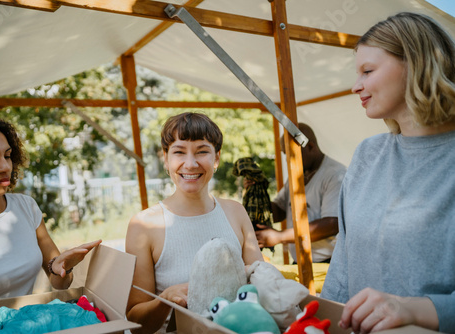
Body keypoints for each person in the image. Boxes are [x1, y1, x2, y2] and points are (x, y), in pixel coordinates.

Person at [320, 12, 455, 333]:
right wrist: (322, 322)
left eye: (368, 71)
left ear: (418, 63)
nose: (356, 86)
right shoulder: (368, 154)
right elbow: (344, 262)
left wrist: (412, 308)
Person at [125, 112, 264, 333]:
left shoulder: (236, 212)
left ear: (216, 158)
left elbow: (262, 287)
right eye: (179, 152)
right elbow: (136, 323)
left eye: (202, 152)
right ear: (165, 159)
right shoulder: (144, 225)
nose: (190, 164)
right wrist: (164, 299)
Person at [0, 115, 101, 317]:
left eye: (7, 155)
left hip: (26, 325)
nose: (5, 167)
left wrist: (63, 268)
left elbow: (59, 281)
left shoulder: (26, 207)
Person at [245, 123, 346, 263]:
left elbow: (331, 224)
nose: (288, 160)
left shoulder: (335, 175)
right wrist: (257, 192)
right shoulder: (297, 174)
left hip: (328, 263)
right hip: (301, 261)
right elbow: (279, 211)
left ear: (310, 146)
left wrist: (280, 237)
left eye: (292, 154)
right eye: (286, 155)